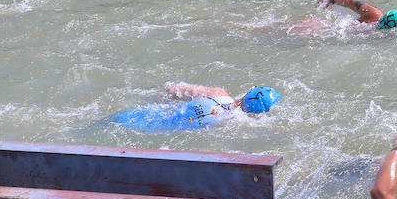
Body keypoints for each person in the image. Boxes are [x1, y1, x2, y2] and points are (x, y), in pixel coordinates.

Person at [109, 82, 280, 131]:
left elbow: (172, 89)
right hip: (154, 131)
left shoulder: (216, 93)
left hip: (140, 115)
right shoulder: (236, 124)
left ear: (247, 93)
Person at [314, 0, 397, 29]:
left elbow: (350, 2)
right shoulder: (374, 16)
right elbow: (350, 2)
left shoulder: (375, 12)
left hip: (344, 27)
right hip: (341, 29)